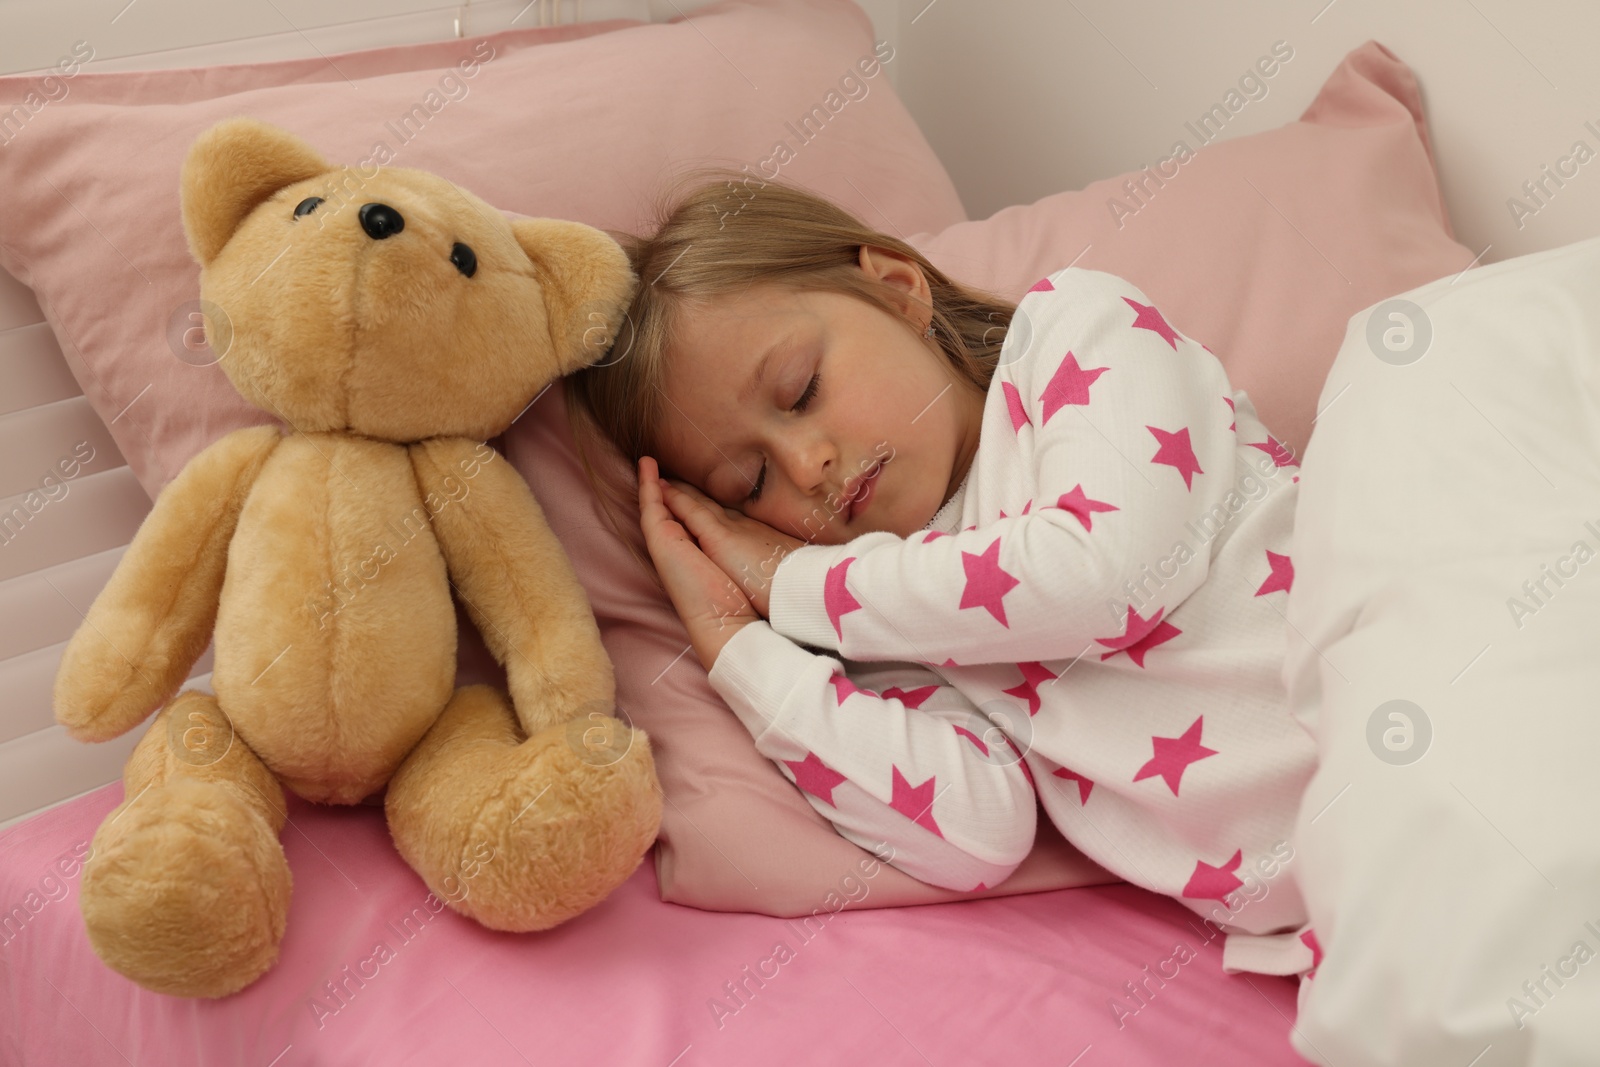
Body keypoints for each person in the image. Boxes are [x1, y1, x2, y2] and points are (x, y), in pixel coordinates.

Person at [563, 168, 1322, 980]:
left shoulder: (1078, 333)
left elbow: (1111, 578)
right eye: (750, 486)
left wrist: (792, 581)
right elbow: (974, 834)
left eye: (801, 389)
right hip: (1352, 890)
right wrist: (736, 645)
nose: (806, 461)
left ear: (896, 291)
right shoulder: (888, 626)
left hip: (1410, 665)